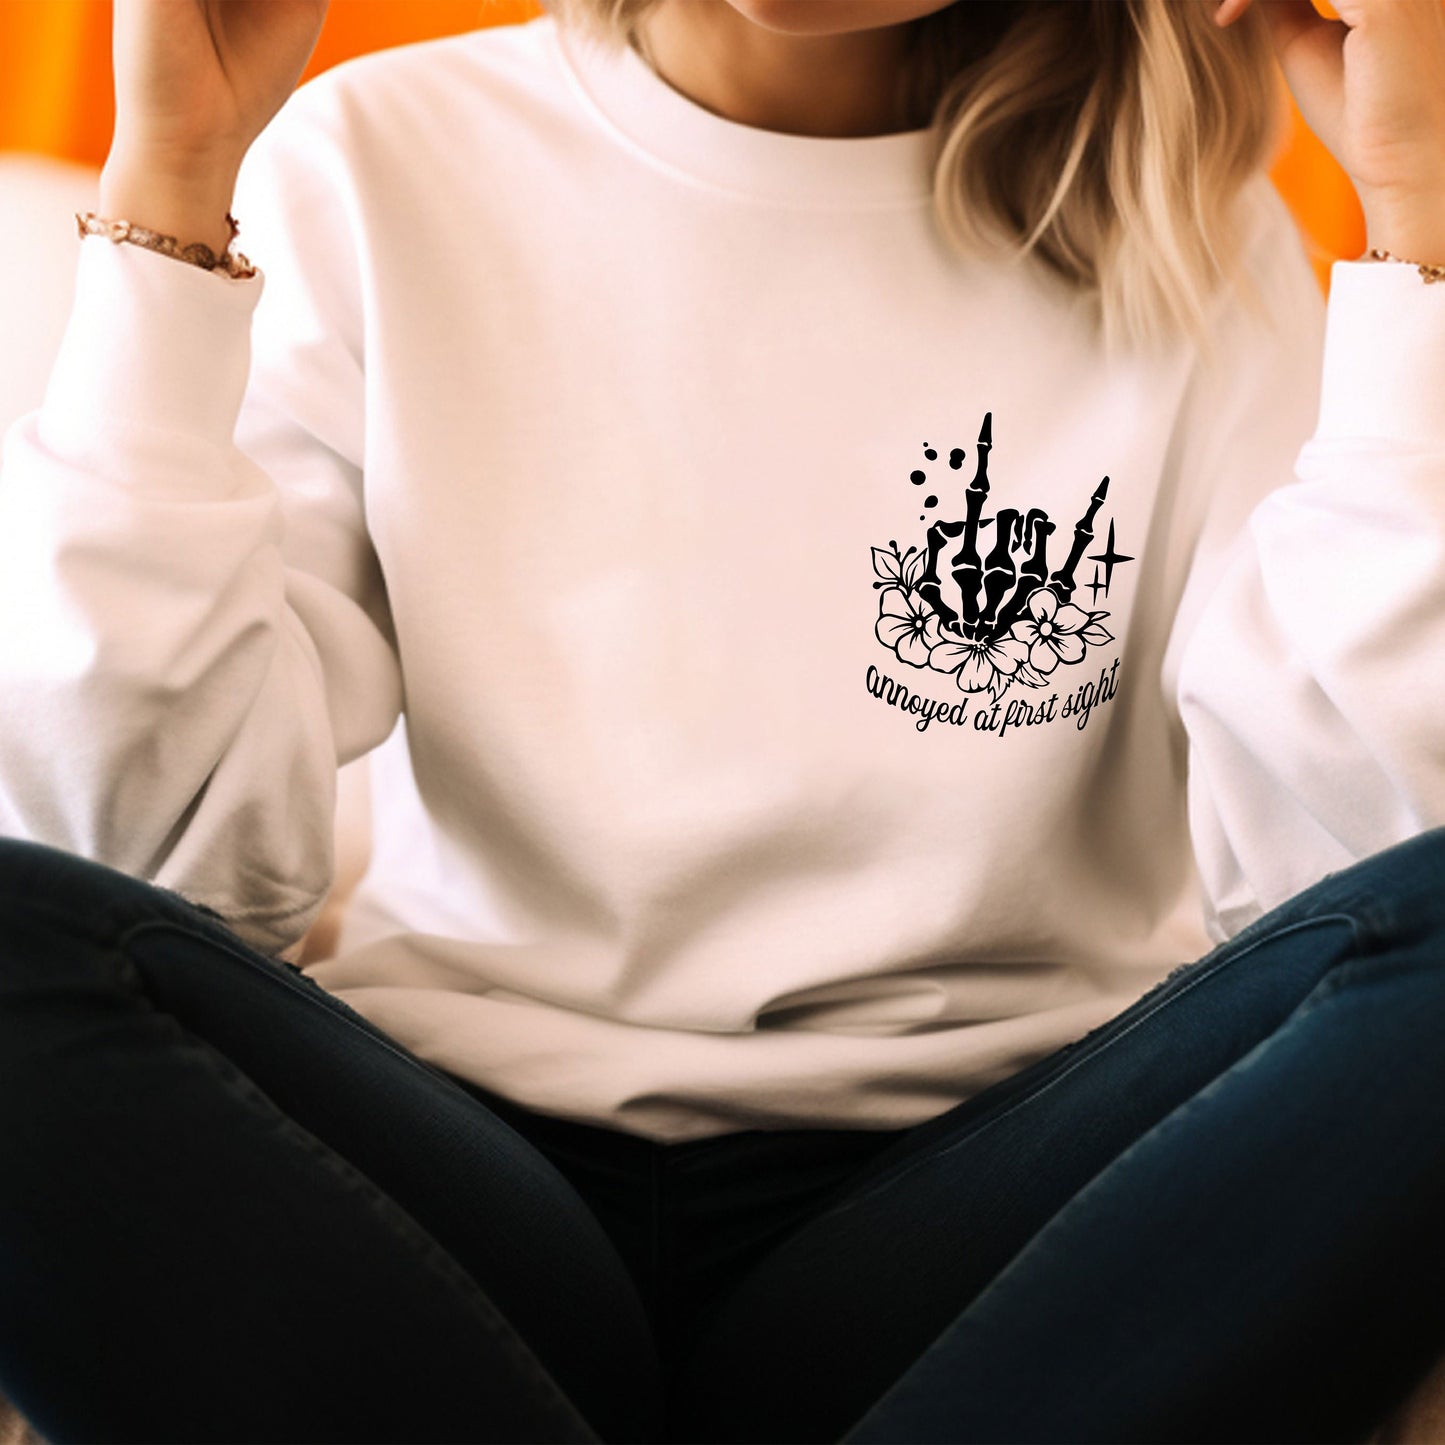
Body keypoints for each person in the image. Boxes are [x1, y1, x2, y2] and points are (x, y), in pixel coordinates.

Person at [0, 0, 1443, 1438]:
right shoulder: (372, 159)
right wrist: (172, 184)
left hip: (988, 1201)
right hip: (462, 1177)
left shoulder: (1200, 238)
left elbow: (1342, 891)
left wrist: (1418, 213)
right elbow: (139, 878)